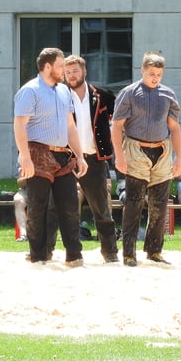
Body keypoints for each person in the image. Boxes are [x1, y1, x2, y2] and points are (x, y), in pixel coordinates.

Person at [13, 47, 88, 267]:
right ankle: (38, 256)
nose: (64, 70)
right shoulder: (30, 90)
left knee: (70, 205)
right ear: (47, 67)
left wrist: (80, 156)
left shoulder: (64, 91)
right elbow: (19, 125)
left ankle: (74, 255)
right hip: (37, 152)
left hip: (62, 154)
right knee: (38, 207)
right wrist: (25, 157)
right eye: (60, 65)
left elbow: (70, 127)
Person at [111, 51, 181, 266]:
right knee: (133, 202)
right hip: (135, 148)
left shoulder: (168, 94)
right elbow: (117, 126)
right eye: (151, 73)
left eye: (159, 74)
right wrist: (119, 156)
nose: (155, 78)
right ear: (142, 70)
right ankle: (129, 253)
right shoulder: (129, 93)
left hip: (162, 150)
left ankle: (154, 251)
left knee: (160, 204)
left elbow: (174, 128)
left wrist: (179, 158)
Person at [63, 54, 120, 263]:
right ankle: (46, 252)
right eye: (67, 72)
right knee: (56, 207)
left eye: (75, 71)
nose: (71, 75)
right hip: (66, 159)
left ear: (84, 72)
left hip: (94, 158)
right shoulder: (60, 96)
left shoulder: (103, 95)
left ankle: (110, 253)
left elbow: (120, 120)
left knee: (101, 209)